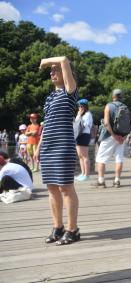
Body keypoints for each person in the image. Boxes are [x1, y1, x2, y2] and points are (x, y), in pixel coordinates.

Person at [36, 56, 80, 245]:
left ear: (66, 72)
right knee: (52, 188)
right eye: (50, 70)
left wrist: (46, 61)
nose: (52, 72)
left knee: (65, 187)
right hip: (48, 146)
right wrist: (38, 146)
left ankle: (73, 229)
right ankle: (58, 227)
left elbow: (63, 59)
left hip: (63, 146)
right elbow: (46, 125)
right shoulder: (50, 97)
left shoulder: (70, 91)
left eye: (56, 70)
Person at [93, 89, 127, 188]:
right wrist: (123, 137)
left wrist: (113, 135)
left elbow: (106, 123)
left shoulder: (109, 106)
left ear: (113, 96)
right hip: (121, 137)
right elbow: (129, 125)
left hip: (109, 135)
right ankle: (117, 181)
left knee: (101, 158)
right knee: (119, 158)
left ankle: (101, 181)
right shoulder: (125, 107)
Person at [74, 99, 93, 181]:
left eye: (81, 106)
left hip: (84, 135)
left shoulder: (88, 114)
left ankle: (87, 175)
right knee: (80, 156)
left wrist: (78, 115)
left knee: (85, 156)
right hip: (79, 136)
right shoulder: (81, 115)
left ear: (85, 106)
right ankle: (82, 173)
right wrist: (79, 115)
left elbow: (84, 125)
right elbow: (76, 124)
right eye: (79, 106)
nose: (80, 108)